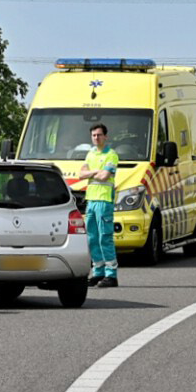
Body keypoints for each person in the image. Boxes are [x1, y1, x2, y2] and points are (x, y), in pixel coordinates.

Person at [81, 121, 119, 287]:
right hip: (91, 200)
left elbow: (104, 177)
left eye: (99, 135)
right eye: (94, 135)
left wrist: (91, 173)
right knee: (92, 238)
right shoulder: (90, 154)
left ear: (105, 136)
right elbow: (81, 174)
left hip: (104, 200)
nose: (96, 138)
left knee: (105, 237)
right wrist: (96, 171)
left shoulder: (111, 155)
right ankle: (98, 271)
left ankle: (111, 274)